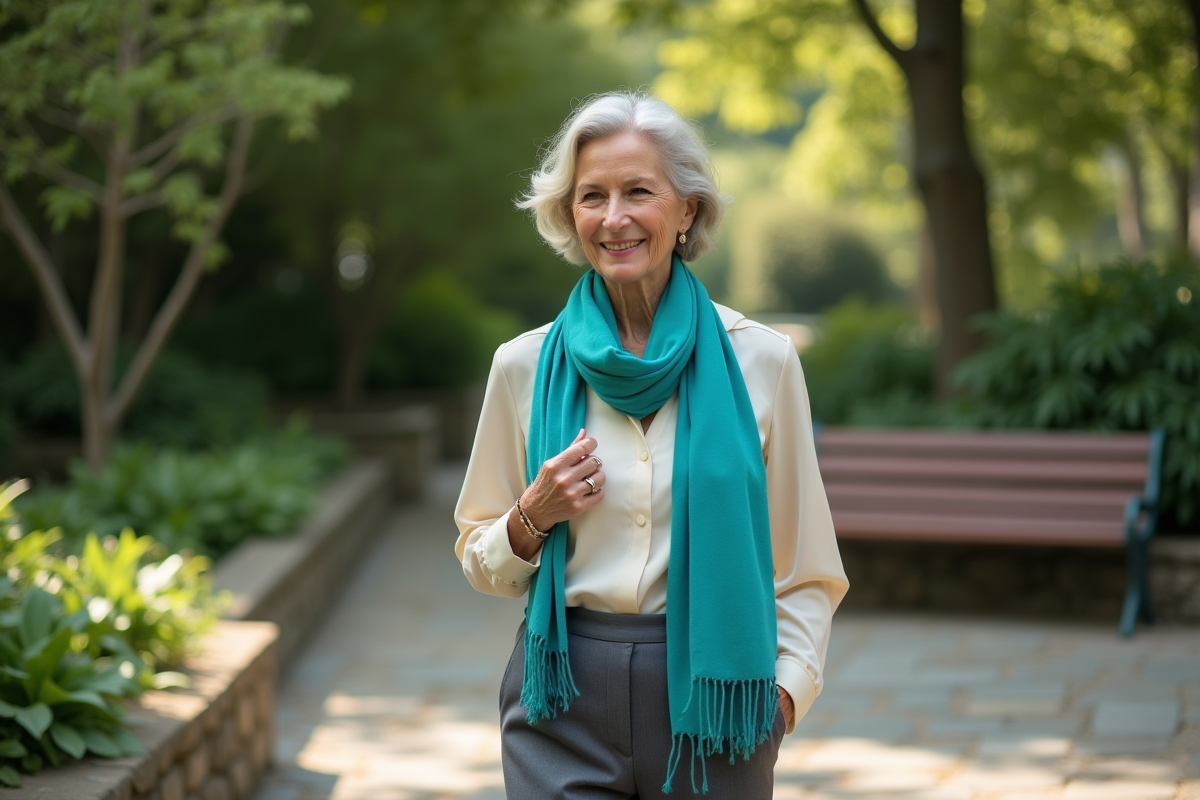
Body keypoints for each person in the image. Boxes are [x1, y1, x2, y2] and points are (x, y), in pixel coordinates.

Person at [454, 91, 848, 798]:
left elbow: (806, 567)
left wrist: (784, 697)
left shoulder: (761, 360)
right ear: (569, 214)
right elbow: (481, 562)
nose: (614, 218)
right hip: (561, 696)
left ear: (687, 210)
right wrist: (531, 515)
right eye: (591, 196)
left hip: (715, 699)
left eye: (639, 191)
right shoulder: (523, 364)